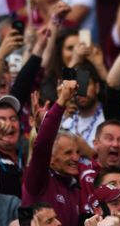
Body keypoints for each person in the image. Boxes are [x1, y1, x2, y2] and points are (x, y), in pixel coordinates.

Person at [21, 79, 81, 226]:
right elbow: (43, 145)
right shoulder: (39, 180)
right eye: (68, 153)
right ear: (51, 158)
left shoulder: (72, 184)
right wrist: (62, 101)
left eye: (78, 152)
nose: (76, 158)